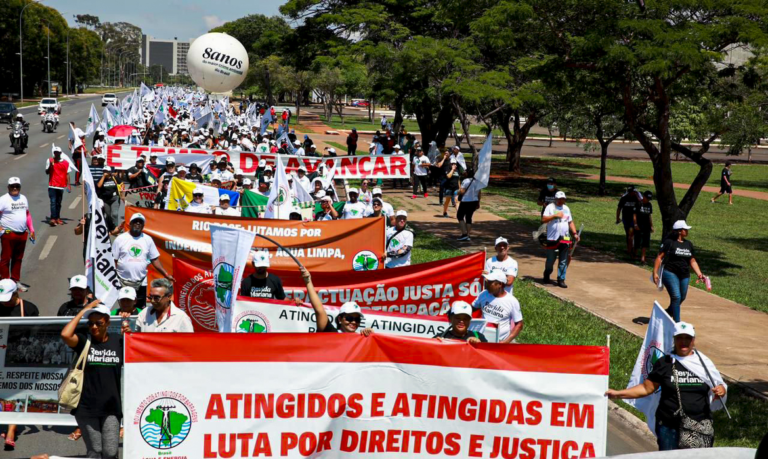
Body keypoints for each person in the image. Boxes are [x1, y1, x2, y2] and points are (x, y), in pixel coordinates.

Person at [606, 322, 727, 451]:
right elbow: (647, 388)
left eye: (688, 338)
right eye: (680, 338)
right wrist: (618, 394)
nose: (684, 342)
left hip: (699, 426)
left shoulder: (704, 363)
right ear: (674, 339)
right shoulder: (664, 363)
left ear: (693, 340)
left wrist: (722, 390)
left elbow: (718, 384)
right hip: (669, 426)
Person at [60, 300, 123, 459]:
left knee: (110, 452)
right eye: (91, 323)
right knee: (95, 451)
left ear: (107, 322)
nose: (94, 326)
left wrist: (129, 333)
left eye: (99, 323)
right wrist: (83, 311)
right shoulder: (83, 341)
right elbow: (65, 334)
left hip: (111, 407)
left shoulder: (119, 341)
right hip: (86, 407)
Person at [112, 213, 174, 309]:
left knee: (140, 309)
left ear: (143, 226)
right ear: (130, 224)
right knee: (125, 309)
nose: (138, 223)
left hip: (141, 282)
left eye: (140, 222)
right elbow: (114, 260)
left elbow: (155, 259)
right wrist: (113, 279)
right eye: (135, 221)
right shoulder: (120, 239)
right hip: (123, 281)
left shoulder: (148, 239)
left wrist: (166, 274)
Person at [653, 220, 705, 322]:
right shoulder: (669, 242)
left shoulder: (688, 244)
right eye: (685, 229)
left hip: (684, 274)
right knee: (676, 297)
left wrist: (699, 273)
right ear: (679, 231)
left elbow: (692, 260)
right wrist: (655, 272)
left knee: (682, 297)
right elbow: (659, 257)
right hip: (670, 272)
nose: (687, 231)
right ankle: (677, 323)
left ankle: (668, 312)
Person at [302, 266, 373, 335]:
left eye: (357, 319)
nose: (354, 322)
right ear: (340, 319)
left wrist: (372, 335)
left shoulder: (362, 338)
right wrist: (308, 281)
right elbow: (319, 310)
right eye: (349, 318)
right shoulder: (330, 333)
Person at [0, 177, 34, 290]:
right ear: (8, 187)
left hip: (22, 233)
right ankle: (5, 281)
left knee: (18, 258)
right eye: (12, 186)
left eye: (17, 186)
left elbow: (27, 214)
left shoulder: (23, 198)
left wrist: (31, 230)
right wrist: (1, 229)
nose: (15, 188)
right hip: (8, 233)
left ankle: (15, 281)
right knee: (6, 258)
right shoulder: (3, 199)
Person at [471, 270, 523, 343]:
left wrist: (506, 342)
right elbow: (471, 309)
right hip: (482, 339)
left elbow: (519, 325)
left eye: (490, 282)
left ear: (500, 284)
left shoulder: (512, 301)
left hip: (502, 341)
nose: (487, 284)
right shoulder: (483, 294)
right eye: (487, 281)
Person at [541, 191, 580, 288]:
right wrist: (554, 216)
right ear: (555, 199)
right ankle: (547, 274)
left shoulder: (566, 208)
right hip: (552, 239)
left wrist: (574, 233)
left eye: (562, 199)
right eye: (559, 199)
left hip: (565, 238)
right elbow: (543, 219)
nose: (560, 201)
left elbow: (570, 222)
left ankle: (561, 279)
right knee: (550, 259)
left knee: (563, 260)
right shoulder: (550, 207)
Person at [46, 147, 70, 226]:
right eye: (55, 152)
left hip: (61, 186)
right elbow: (47, 172)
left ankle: (57, 218)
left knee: (58, 203)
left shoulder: (66, 163)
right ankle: (53, 218)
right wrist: (50, 165)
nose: (56, 154)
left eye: (58, 152)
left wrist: (68, 185)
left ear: (60, 153)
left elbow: (67, 174)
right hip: (52, 185)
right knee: (53, 202)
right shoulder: (50, 160)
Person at [617, 185, 642, 257]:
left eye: (632, 192)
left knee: (631, 234)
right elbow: (619, 208)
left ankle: (630, 250)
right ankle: (630, 249)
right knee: (628, 234)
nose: (630, 193)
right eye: (629, 192)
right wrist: (617, 218)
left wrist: (637, 197)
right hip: (625, 218)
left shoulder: (637, 197)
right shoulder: (624, 198)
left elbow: (641, 204)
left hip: (633, 219)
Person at [457, 170, 481, 241]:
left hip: (466, 201)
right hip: (474, 201)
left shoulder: (466, 181)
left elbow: (462, 191)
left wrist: (458, 191)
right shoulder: (477, 182)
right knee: (469, 217)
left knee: (460, 216)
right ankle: (468, 235)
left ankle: (464, 234)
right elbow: (479, 193)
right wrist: (478, 202)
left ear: (467, 173)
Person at [633, 191, 654, 263]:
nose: (648, 200)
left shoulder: (649, 205)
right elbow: (634, 215)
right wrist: (635, 224)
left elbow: (649, 216)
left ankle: (643, 257)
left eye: (649, 199)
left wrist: (651, 226)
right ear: (643, 197)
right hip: (639, 225)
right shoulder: (638, 204)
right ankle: (634, 254)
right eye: (647, 198)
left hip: (646, 226)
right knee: (637, 240)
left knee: (645, 242)